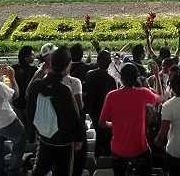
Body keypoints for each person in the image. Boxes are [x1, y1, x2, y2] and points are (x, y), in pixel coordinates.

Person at [27, 46, 85, 176]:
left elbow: (30, 110)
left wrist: (36, 130)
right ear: (67, 66)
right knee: (63, 171)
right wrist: (79, 138)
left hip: (44, 137)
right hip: (64, 141)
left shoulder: (37, 85)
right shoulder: (65, 90)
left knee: (40, 169)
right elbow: (73, 117)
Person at [99, 61, 163, 176]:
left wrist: (114, 126)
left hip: (118, 150)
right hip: (140, 149)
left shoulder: (111, 96)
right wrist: (157, 76)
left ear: (121, 78)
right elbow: (160, 98)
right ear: (136, 78)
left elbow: (102, 123)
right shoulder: (143, 93)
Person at [86, 50, 117, 158]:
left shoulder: (90, 75)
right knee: (105, 137)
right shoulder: (111, 80)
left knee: (99, 135)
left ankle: (98, 158)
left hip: (93, 112)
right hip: (106, 114)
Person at [12, 46, 37, 142]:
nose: (34, 56)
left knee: (21, 126)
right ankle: (31, 145)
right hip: (29, 103)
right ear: (26, 58)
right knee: (31, 125)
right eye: (32, 55)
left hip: (17, 103)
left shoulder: (13, 69)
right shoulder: (34, 71)